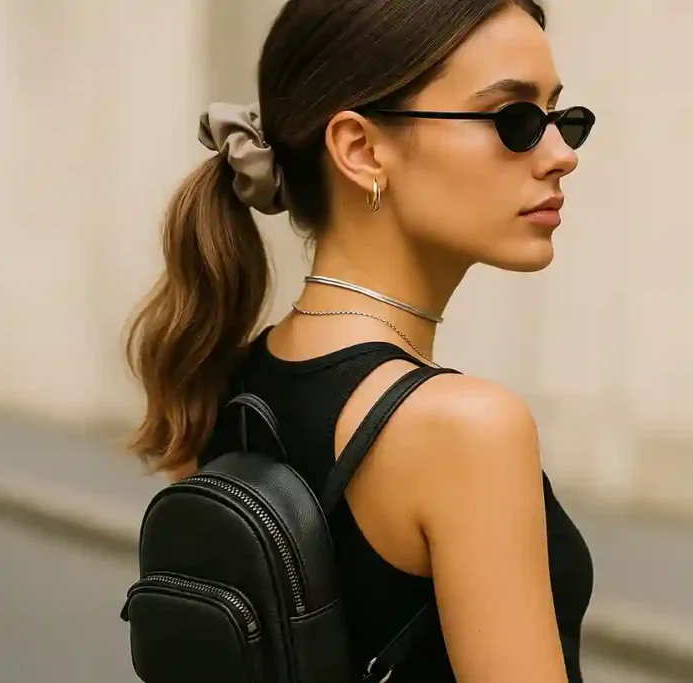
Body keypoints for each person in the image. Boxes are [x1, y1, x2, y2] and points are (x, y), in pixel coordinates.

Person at [124, 1, 596, 681]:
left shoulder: (232, 380)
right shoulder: (466, 428)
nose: (561, 154)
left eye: (563, 116)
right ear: (362, 149)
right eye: (514, 119)